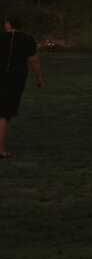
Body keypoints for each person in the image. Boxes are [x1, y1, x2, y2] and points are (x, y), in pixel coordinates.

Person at [0, 15, 43, 156]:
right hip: (16, 78)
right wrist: (39, 78)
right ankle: (1, 149)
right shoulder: (27, 39)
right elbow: (34, 60)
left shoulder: (1, 38)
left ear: (8, 24)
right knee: (6, 113)